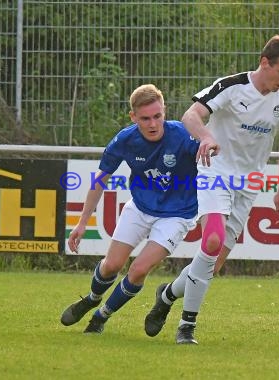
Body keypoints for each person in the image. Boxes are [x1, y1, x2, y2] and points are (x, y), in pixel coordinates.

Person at [144, 35, 279, 344]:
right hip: (215, 173)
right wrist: (204, 136)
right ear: (264, 62)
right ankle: (186, 327)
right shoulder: (231, 86)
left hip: (249, 184)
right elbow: (191, 115)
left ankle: (167, 294)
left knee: (211, 264)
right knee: (212, 240)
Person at [60, 84, 199, 335]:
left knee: (138, 271)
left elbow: (215, 162)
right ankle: (92, 298)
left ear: (164, 111)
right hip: (140, 207)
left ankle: (101, 317)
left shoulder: (183, 135)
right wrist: (82, 223)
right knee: (111, 265)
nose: (153, 123)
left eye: (158, 116)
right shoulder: (125, 139)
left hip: (178, 214)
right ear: (133, 117)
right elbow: (100, 180)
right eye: (145, 118)